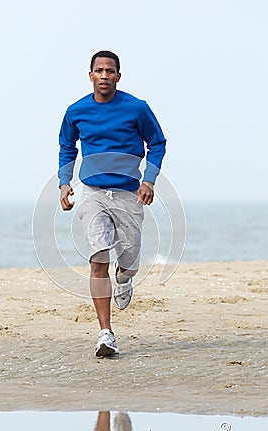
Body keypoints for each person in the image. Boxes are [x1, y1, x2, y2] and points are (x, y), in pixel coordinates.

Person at [58, 50, 166, 357]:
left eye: (110, 71)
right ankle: (105, 333)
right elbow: (67, 147)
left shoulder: (137, 108)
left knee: (128, 260)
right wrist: (65, 183)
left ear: (118, 76)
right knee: (98, 258)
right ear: (90, 75)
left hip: (129, 194)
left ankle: (125, 277)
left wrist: (149, 180)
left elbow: (157, 143)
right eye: (99, 70)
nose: (104, 75)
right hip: (92, 193)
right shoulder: (76, 111)